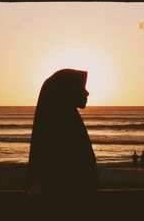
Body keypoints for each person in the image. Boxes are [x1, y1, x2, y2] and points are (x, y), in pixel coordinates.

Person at [27, 69, 98, 198]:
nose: (87, 93)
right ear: (68, 91)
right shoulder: (66, 124)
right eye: (81, 87)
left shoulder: (65, 120)